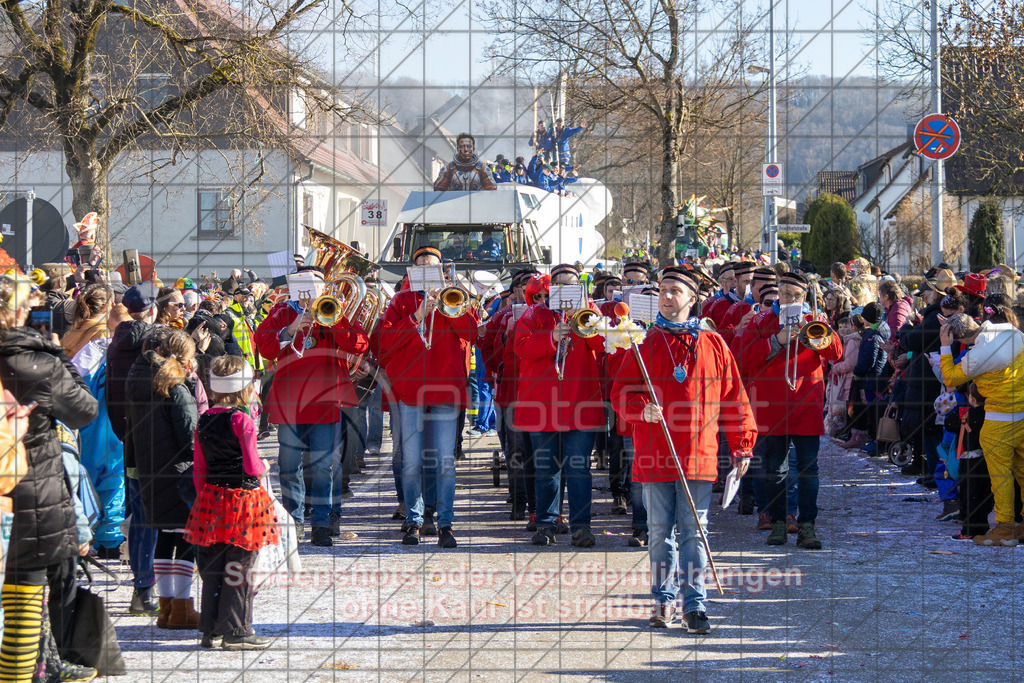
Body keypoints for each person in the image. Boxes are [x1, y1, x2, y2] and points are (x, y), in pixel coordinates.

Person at [611, 267, 756, 633]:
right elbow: (621, 391)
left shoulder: (714, 343)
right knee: (660, 531)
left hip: (698, 452)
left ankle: (695, 605)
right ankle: (663, 601)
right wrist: (640, 408)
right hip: (656, 448)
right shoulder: (642, 342)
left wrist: (742, 445)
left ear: (692, 298)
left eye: (675, 291)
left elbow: (735, 399)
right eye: (662, 290)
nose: (666, 296)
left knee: (695, 531)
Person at [0, 274, 100, 681]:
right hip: (30, 491)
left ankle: (48, 663)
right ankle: (27, 673)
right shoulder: (33, 360)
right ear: (20, 312)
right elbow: (84, 410)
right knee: (28, 594)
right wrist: (58, 357)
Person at [254, 267, 369, 548]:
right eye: (302, 283)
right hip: (291, 399)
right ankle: (294, 522)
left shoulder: (335, 310)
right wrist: (290, 329)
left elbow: (359, 344)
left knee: (324, 466)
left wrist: (334, 320)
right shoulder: (281, 312)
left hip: (326, 399)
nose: (308, 289)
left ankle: (321, 522)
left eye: (315, 283)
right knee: (289, 466)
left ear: (324, 288)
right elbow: (265, 347)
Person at [376, 246, 479, 547]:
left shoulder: (455, 297)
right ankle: (414, 520)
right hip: (409, 392)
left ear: (443, 271)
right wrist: (419, 314)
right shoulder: (400, 301)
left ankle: (445, 523)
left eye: (432, 266)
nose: (427, 270)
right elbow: (384, 343)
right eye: (421, 266)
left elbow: (473, 334)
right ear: (412, 271)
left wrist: (450, 308)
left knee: (445, 461)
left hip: (446, 390)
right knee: (411, 462)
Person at [740, 272, 843, 548]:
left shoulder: (814, 321)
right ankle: (778, 522)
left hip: (806, 403)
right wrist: (777, 340)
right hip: (773, 406)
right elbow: (744, 358)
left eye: (796, 295)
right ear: (778, 293)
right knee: (776, 469)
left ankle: (807, 524)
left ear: (804, 298)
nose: (790, 299)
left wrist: (818, 333)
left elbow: (836, 355)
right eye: (785, 293)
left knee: (809, 468)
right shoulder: (762, 320)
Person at [185, 356, 278, 650]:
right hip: (243, 501)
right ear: (244, 387)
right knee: (240, 566)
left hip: (212, 498)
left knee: (213, 566)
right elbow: (252, 467)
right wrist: (265, 464)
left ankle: (210, 629)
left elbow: (199, 468)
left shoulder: (205, 419)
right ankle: (237, 631)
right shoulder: (242, 420)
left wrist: (204, 498)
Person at [514, 263, 604, 548]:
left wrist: (589, 322)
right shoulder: (533, 314)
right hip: (543, 404)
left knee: (579, 468)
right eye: (559, 284)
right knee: (546, 468)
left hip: (581, 402)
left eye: (571, 285)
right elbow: (521, 348)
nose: (565, 289)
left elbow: (604, 347)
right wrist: (551, 336)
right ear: (551, 288)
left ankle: (581, 526)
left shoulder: (591, 313)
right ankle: (546, 523)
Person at [126, 329, 201, 629]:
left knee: (164, 537)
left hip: (149, 469)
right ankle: (182, 610)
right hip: (179, 473)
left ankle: (166, 610)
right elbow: (189, 437)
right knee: (185, 538)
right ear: (185, 359)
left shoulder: (139, 379)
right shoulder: (177, 388)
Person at [939, 309, 1024, 546]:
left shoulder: (977, 357)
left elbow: (951, 380)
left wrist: (946, 346)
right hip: (1022, 413)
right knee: (1021, 471)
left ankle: (1005, 528)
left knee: (1000, 475)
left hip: (999, 418)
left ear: (959, 339)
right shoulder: (1009, 330)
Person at [61, 284, 113, 359]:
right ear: (105, 307)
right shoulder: (104, 333)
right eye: (111, 304)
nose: (113, 305)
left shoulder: (73, 330)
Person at [433, 133, 497, 191]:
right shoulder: (448, 169)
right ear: (458, 149)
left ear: (473, 149)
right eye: (462, 147)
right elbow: (438, 191)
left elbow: (492, 192)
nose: (466, 150)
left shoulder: (483, 169)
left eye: (469, 147)